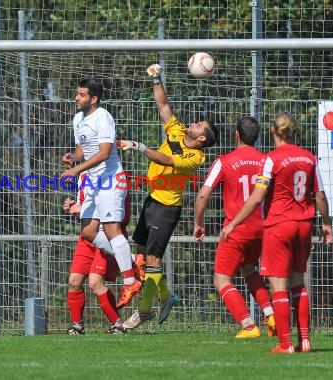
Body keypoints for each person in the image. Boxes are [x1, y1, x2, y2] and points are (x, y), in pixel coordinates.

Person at [220, 112, 333, 354]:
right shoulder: (309, 158)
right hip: (304, 226)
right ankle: (304, 341)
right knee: (298, 283)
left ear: (273, 132)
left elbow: (257, 197)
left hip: (279, 226)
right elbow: (320, 196)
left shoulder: (271, 159)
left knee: (278, 286)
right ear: (293, 132)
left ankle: (285, 345)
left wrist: (233, 223)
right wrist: (326, 223)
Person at [118, 63, 218, 329]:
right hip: (152, 200)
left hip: (166, 208)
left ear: (202, 139)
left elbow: (165, 158)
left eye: (199, 125)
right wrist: (156, 79)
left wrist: (139, 147)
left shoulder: (195, 157)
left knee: (152, 261)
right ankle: (165, 295)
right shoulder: (178, 130)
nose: (193, 124)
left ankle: (144, 311)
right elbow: (164, 107)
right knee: (141, 256)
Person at [59, 77, 141, 309]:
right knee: (88, 230)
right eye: (77, 93)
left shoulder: (103, 117)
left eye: (82, 95)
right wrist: (73, 157)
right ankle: (133, 262)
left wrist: (76, 169)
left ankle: (130, 280)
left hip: (111, 179)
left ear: (93, 99)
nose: (77, 98)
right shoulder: (78, 119)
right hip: (94, 181)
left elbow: (105, 153)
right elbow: (82, 149)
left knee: (112, 229)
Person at [193, 116, 276, 339]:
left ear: (236, 135)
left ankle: (248, 325)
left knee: (221, 279)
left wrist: (198, 223)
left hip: (236, 229)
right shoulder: (266, 161)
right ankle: (271, 315)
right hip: (261, 228)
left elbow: (203, 194)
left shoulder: (224, 161)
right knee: (249, 269)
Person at [64, 171, 132, 335]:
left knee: (95, 283)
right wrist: (72, 208)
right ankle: (77, 327)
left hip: (108, 236)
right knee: (74, 281)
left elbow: (121, 214)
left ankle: (117, 325)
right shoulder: (84, 176)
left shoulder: (117, 175)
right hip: (87, 237)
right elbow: (83, 210)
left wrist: (82, 209)